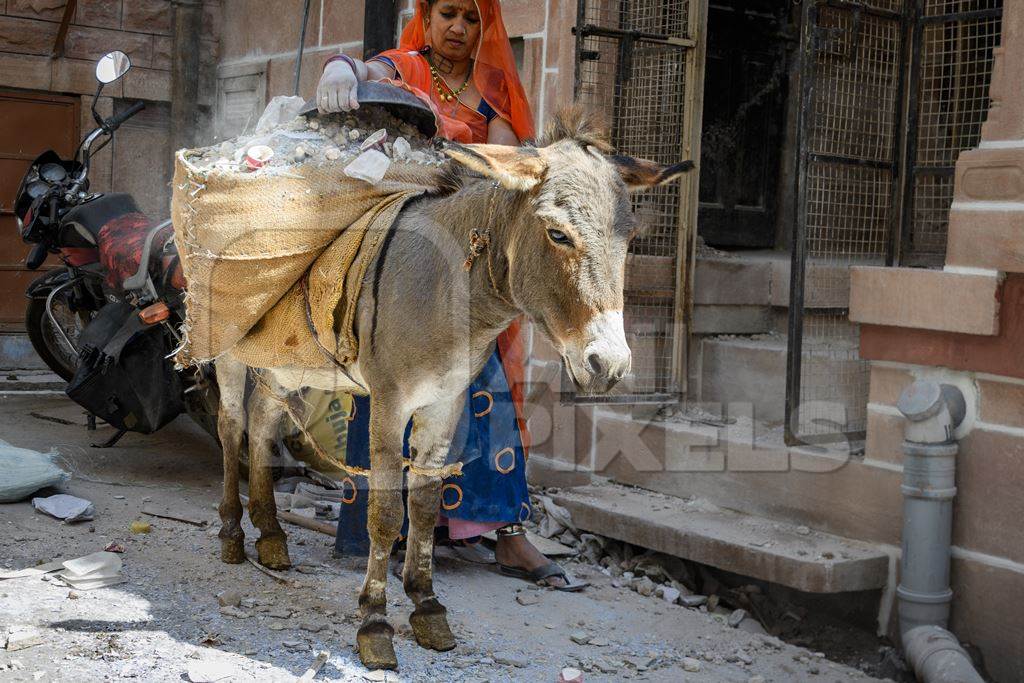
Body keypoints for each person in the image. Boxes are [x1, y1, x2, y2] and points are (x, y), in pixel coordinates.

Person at [311, 0, 585, 591]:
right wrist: (340, 66)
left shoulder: (493, 88)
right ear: (427, 19)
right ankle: (383, 534)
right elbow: (368, 75)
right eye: (447, 14)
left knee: (483, 385)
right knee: (387, 383)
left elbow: (503, 168)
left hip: (469, 251)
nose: (458, 28)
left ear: (483, 28)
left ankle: (507, 534)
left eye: (469, 17)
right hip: (405, 244)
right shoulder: (403, 65)